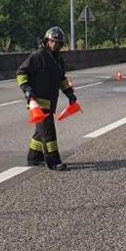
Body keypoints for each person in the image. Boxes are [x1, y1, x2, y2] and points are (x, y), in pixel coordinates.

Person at [17, 26, 78, 171]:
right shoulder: (38, 56)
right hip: (37, 102)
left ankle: (34, 157)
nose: (54, 44)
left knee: (41, 131)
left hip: (50, 102)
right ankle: (54, 161)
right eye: (52, 41)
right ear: (46, 41)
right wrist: (26, 89)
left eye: (57, 42)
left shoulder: (58, 60)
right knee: (48, 131)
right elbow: (21, 72)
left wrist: (69, 93)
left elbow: (61, 79)